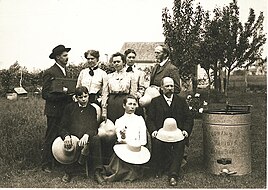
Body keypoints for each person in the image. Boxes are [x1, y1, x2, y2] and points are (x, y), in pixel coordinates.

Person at [146, 77, 193, 186]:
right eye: (167, 86)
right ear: (162, 88)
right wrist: (153, 131)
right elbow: (150, 119)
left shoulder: (181, 101)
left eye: (171, 86)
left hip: (178, 134)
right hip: (160, 134)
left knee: (180, 143)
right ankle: (158, 168)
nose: (170, 88)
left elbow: (189, 117)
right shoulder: (155, 102)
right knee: (157, 142)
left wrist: (186, 130)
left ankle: (173, 174)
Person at [57, 86, 105, 184]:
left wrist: (87, 134)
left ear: (88, 96)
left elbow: (93, 127)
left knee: (96, 138)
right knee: (68, 145)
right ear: (76, 98)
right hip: (72, 137)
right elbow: (62, 126)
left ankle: (97, 172)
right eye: (81, 97)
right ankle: (68, 172)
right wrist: (66, 136)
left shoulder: (92, 109)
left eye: (85, 96)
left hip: (86, 138)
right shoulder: (69, 108)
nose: (83, 99)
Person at [101, 95, 150, 182]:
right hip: (124, 146)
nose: (132, 107)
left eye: (134, 104)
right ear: (124, 106)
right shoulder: (119, 121)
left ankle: (129, 172)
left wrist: (136, 145)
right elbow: (120, 139)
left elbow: (143, 138)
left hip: (137, 148)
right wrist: (123, 138)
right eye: (130, 104)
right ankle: (121, 172)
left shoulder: (140, 119)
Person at [101, 52, 138, 164]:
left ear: (123, 62)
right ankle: (110, 160)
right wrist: (104, 110)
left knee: (126, 129)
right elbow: (104, 94)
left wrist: (131, 106)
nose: (116, 64)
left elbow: (133, 94)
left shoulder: (130, 76)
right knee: (112, 131)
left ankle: (126, 159)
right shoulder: (108, 77)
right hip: (112, 103)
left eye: (119, 61)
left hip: (124, 103)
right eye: (114, 61)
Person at [41, 44, 73, 172]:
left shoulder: (68, 71)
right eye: (65, 55)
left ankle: (58, 160)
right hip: (54, 110)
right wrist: (63, 95)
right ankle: (46, 164)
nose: (67, 58)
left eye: (67, 55)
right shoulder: (49, 72)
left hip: (66, 110)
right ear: (58, 57)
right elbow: (45, 94)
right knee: (51, 135)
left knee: (62, 135)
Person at [124, 48, 147, 117]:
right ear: (125, 58)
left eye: (133, 57)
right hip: (123, 101)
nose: (131, 59)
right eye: (129, 57)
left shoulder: (140, 72)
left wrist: (135, 97)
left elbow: (142, 88)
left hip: (135, 101)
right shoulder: (122, 71)